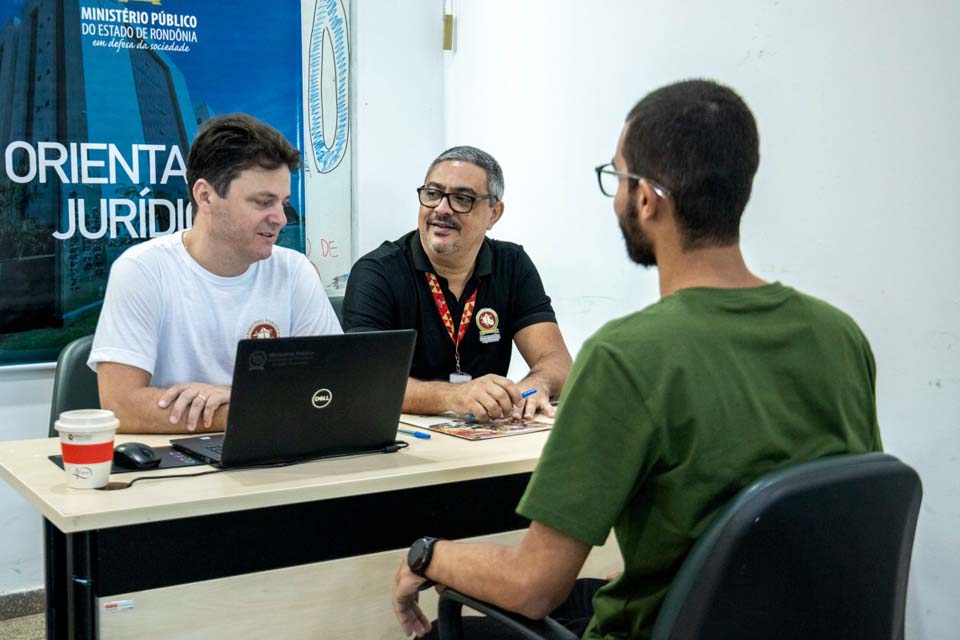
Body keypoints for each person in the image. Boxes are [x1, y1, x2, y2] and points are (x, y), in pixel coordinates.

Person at [392, 79, 882, 639]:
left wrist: (426, 556)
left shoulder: (626, 357)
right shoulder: (840, 336)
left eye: (617, 177)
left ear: (645, 198)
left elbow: (532, 587)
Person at [88, 113, 341, 434]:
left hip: (273, 456)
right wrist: (250, 408)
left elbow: (331, 388)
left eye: (283, 202)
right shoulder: (142, 269)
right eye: (263, 202)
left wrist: (237, 398)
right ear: (205, 195)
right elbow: (121, 406)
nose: (280, 218)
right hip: (174, 468)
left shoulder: (294, 270)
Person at [342, 146, 571, 421]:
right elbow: (367, 380)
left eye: (462, 199)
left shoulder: (512, 264)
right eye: (432, 194)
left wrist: (536, 385)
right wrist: (453, 396)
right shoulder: (378, 272)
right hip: (407, 443)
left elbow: (558, 363)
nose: (441, 208)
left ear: (494, 214)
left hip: (489, 440)